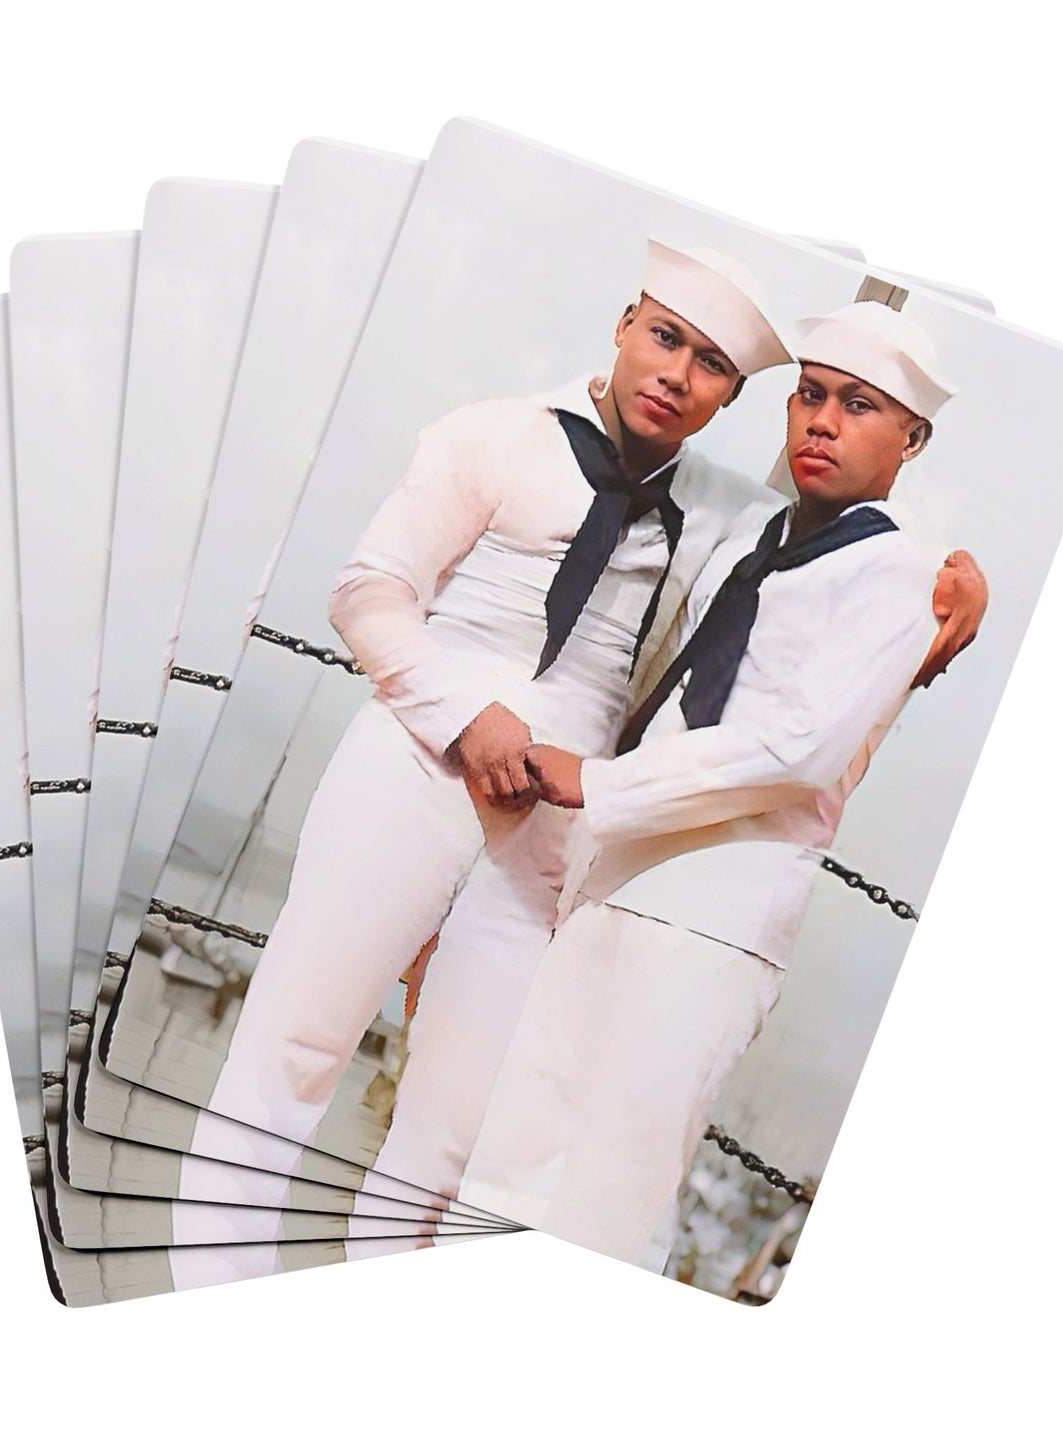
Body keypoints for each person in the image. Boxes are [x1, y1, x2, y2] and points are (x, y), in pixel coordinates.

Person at [191, 245, 982, 1181]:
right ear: (625, 323)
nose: (675, 375)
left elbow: (827, 545)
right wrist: (465, 716)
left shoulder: (721, 510)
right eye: (663, 338)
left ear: (730, 397)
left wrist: (960, 580)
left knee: (454, 1131)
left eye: (711, 366)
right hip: (414, 763)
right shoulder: (492, 432)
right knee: (293, 1047)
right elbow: (369, 591)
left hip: (553, 831)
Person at [452, 302, 964, 1270]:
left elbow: (792, 750)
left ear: (910, 437)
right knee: (506, 1161)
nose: (820, 421)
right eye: (808, 395)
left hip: (713, 914)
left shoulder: (895, 577)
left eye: (858, 406)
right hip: (612, 881)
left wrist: (598, 784)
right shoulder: (748, 544)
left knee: (603, 1196)